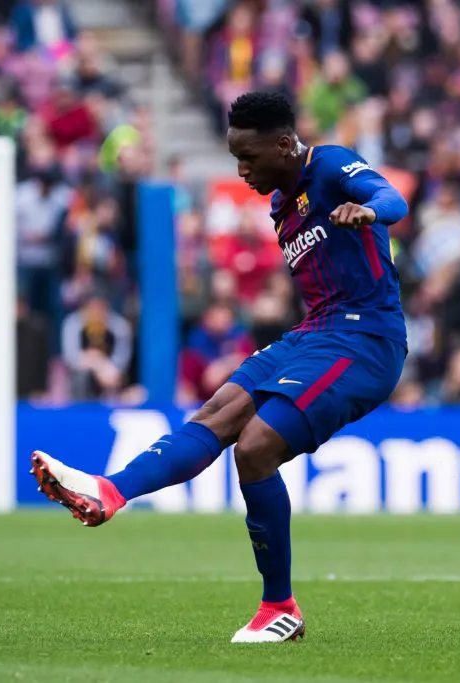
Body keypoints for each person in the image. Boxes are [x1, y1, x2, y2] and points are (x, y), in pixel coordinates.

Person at [30, 91, 409, 644]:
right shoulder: (282, 204)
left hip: (366, 336)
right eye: (236, 158)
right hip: (316, 333)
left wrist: (368, 210)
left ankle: (280, 607)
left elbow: (389, 195)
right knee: (218, 411)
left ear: (284, 144)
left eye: (249, 157)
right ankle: (108, 493)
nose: (242, 170)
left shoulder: (328, 164)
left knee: (255, 447)